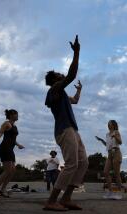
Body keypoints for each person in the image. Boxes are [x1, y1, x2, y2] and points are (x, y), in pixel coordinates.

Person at [44, 35, 88, 211]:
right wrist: (77, 53)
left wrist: (79, 91)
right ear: (55, 80)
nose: (62, 75)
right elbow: (71, 74)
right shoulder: (54, 90)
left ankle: (66, 198)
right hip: (64, 130)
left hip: (73, 130)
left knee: (83, 163)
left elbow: (75, 101)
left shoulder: (62, 95)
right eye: (59, 75)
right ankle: (51, 200)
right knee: (71, 164)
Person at [0, 109, 24, 198]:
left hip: (11, 149)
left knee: (13, 170)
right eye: (16, 114)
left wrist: (18, 145)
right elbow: (0, 133)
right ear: (11, 115)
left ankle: (3, 189)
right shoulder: (6, 123)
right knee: (7, 170)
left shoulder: (15, 126)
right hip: (5, 148)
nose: (18, 116)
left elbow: (13, 139)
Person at [95, 120, 123, 200]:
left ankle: (118, 193)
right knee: (106, 172)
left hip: (116, 153)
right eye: (107, 124)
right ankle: (110, 192)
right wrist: (101, 140)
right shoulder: (107, 134)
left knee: (116, 173)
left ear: (113, 125)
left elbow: (120, 142)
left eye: (110, 124)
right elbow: (107, 145)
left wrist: (115, 136)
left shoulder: (116, 132)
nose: (108, 125)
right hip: (109, 154)